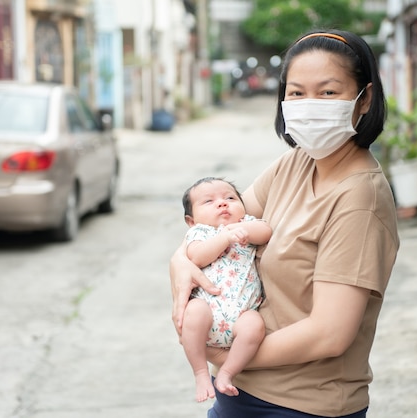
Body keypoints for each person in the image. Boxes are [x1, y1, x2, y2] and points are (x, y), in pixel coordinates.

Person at [170, 29, 400, 418]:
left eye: (328, 92)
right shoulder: (296, 164)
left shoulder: (359, 199)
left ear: (365, 99)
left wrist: (219, 354)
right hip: (239, 393)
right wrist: (181, 262)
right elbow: (221, 221)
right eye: (296, 93)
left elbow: (329, 334)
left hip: (303, 405)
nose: (309, 105)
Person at [180, 177, 272, 402]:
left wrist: (241, 228)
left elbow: (266, 231)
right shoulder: (199, 233)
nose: (222, 203)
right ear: (191, 221)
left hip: (242, 317)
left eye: (230, 198)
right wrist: (224, 237)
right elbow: (198, 257)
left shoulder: (245, 225)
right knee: (194, 311)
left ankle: (227, 373)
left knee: (255, 324)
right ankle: (201, 373)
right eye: (209, 201)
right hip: (208, 315)